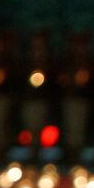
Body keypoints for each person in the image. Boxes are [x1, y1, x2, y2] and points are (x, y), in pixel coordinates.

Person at [58, 31, 94, 162]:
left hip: (83, 99)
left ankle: (78, 152)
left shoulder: (89, 62)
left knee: (80, 126)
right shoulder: (66, 62)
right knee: (69, 126)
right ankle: (69, 152)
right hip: (69, 98)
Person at [20, 30, 55, 158]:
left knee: (42, 126)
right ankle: (32, 151)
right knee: (30, 126)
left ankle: (41, 152)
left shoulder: (49, 59)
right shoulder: (26, 59)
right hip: (29, 98)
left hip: (44, 98)